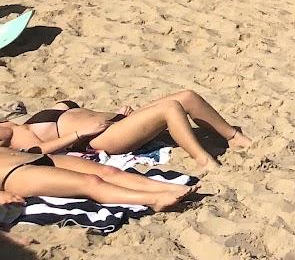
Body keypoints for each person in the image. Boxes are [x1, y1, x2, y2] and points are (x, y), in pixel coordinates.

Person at [4, 90, 252, 171]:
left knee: (186, 96)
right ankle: (204, 160)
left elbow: (75, 112)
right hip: (100, 139)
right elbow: (34, 152)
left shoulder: (17, 120)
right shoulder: (8, 132)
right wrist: (78, 135)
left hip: (113, 122)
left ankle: (234, 137)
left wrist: (118, 115)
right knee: (170, 108)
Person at [0, 145, 196, 210]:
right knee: (91, 183)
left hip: (36, 157)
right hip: (14, 175)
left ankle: (167, 188)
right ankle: (154, 200)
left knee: (108, 172)